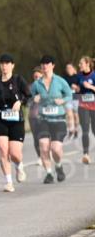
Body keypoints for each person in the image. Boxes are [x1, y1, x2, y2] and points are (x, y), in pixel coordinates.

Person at [0, 53, 31, 192]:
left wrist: (20, 102)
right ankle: (9, 182)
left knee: (15, 153)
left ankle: (19, 166)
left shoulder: (18, 80)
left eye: (7, 63)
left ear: (12, 65)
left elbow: (29, 97)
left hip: (16, 120)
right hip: (0, 119)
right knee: (3, 151)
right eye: (2, 64)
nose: (4, 66)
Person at [31, 55, 73, 184]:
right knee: (44, 147)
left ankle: (58, 166)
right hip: (43, 119)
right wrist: (34, 99)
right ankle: (49, 173)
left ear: (53, 65)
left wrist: (63, 100)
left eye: (47, 63)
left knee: (55, 149)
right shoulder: (36, 84)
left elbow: (69, 95)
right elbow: (30, 97)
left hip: (58, 119)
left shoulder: (60, 81)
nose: (45, 66)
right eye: (43, 64)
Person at [75, 56, 94, 164]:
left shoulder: (94, 75)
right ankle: (85, 154)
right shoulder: (78, 76)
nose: (79, 65)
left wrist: (90, 87)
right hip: (83, 106)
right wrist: (76, 89)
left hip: (94, 107)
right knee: (85, 130)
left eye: (81, 63)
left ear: (87, 64)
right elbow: (77, 90)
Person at [28, 65, 44, 177]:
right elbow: (26, 100)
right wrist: (33, 99)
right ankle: (39, 156)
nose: (36, 79)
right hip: (33, 115)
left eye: (38, 77)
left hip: (45, 115)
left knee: (45, 136)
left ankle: (47, 153)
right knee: (36, 137)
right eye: (35, 77)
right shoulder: (30, 87)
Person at [64, 62, 80, 141]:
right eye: (67, 68)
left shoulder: (78, 77)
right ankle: (71, 130)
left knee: (76, 115)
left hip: (76, 98)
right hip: (68, 98)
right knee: (69, 115)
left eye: (70, 68)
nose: (68, 69)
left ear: (73, 69)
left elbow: (81, 88)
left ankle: (76, 130)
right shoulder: (64, 78)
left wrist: (77, 87)